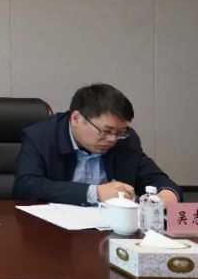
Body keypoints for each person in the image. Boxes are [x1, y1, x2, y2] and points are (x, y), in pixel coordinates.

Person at [13, 83, 181, 205]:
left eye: (120, 132)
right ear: (76, 119)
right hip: (55, 231)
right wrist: (95, 193)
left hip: (111, 230)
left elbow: (156, 178)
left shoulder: (125, 140)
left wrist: (165, 197)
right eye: (106, 131)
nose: (113, 139)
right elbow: (26, 187)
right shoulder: (41, 136)